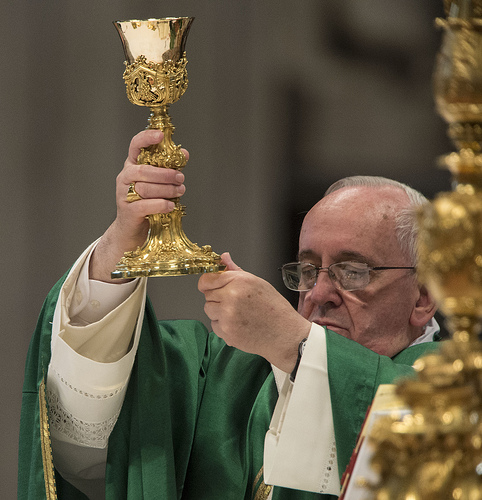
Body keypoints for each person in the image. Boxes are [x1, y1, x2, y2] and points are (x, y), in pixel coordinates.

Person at [19, 129, 440, 500]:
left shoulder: (456, 391)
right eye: (308, 270)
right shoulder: (226, 381)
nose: (319, 293)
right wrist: (121, 246)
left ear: (423, 297)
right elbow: (97, 433)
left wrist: (294, 344)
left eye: (353, 271)